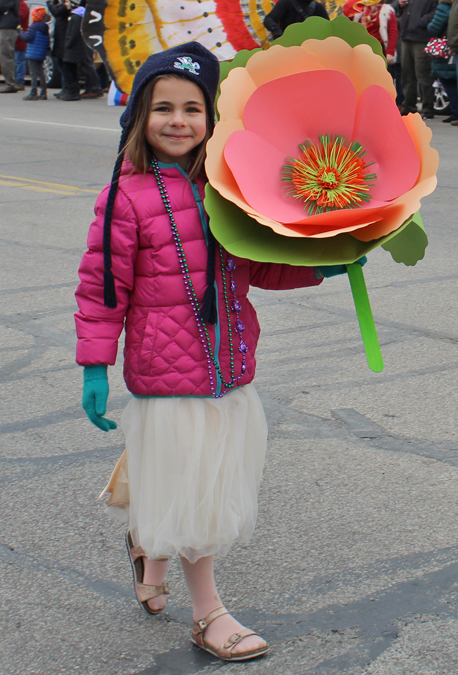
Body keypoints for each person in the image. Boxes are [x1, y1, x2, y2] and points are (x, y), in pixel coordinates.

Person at [75, 41, 358, 662]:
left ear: (212, 119)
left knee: (191, 484)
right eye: (162, 108)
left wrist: (322, 265)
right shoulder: (125, 197)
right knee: (197, 495)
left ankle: (147, 550)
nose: (178, 121)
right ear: (138, 117)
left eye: (193, 109)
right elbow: (102, 288)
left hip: (228, 369)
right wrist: (95, 365)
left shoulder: (230, 190)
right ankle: (210, 613)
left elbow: (259, 265)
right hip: (166, 374)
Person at [396, 0, 438, 118]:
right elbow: (395, 8)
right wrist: (400, 5)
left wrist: (420, 21)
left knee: (423, 74)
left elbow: (437, 11)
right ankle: (409, 106)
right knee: (407, 74)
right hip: (406, 37)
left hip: (422, 38)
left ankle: (428, 107)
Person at [427, 0, 458, 122]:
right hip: (457, 45)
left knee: (447, 80)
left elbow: (434, 28)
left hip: (444, 48)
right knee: (457, 81)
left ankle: (456, 112)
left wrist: (428, 25)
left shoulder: (443, 7)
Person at [17, 5, 50, 100]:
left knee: (33, 73)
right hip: (41, 53)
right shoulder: (45, 27)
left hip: (32, 53)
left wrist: (20, 31)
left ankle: (33, 92)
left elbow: (27, 38)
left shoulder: (33, 27)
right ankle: (43, 93)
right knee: (41, 73)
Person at [263, 0, 329, 40]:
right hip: (287, 45)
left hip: (310, 47)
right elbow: (269, 19)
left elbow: (327, 28)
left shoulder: (318, 8)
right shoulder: (286, 3)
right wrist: (277, 31)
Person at [46, 0, 71, 98]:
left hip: (63, 41)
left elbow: (56, 12)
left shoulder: (66, 8)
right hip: (59, 40)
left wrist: (49, 3)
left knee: (65, 67)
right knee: (61, 66)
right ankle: (65, 88)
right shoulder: (62, 7)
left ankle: (68, 88)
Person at [0, 0, 20, 93]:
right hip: (6, 25)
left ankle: (11, 83)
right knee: (6, 55)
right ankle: (11, 83)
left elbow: (2, 6)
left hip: (7, 27)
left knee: (5, 55)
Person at [13, 0, 28, 90]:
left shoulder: (22, 6)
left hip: (20, 37)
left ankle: (20, 81)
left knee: (19, 61)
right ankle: (16, 80)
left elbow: (19, 18)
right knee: (16, 61)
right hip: (17, 38)